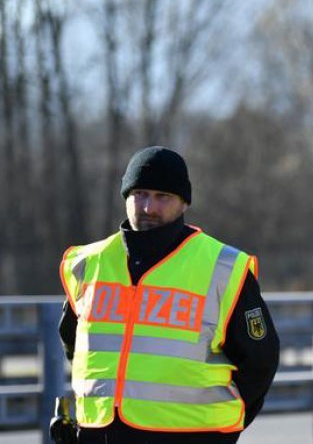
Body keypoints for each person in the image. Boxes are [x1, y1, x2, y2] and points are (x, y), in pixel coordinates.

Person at [54, 146, 280, 444]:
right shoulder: (89, 263)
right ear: (126, 197)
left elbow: (260, 361)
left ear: (184, 203)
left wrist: (223, 427)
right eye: (140, 194)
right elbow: (74, 345)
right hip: (101, 435)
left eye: (163, 197)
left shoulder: (223, 268)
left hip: (190, 436)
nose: (148, 208)